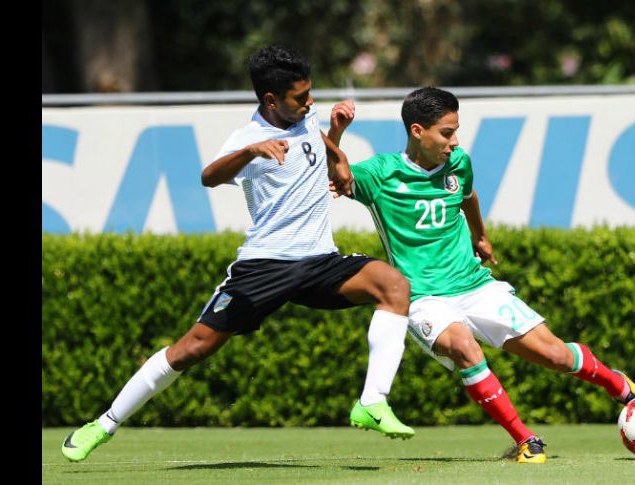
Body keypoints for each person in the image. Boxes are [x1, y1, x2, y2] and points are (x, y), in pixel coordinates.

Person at [61, 45, 415, 463]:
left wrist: (336, 140)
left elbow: (317, 151)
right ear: (270, 100)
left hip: (320, 260)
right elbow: (208, 176)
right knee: (191, 349)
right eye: (300, 97)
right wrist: (251, 151)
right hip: (265, 265)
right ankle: (102, 425)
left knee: (394, 286)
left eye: (310, 93)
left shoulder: (307, 116)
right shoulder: (247, 139)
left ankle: (372, 402)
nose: (309, 102)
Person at [327, 87, 635, 465]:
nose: (454, 141)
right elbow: (339, 175)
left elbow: (468, 196)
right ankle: (526, 440)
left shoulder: (458, 163)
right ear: (417, 131)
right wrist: (336, 133)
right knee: (465, 348)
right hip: (424, 298)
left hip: (475, 286)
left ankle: (619, 385)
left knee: (556, 355)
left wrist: (480, 235)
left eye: (455, 131)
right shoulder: (381, 173)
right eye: (446, 133)